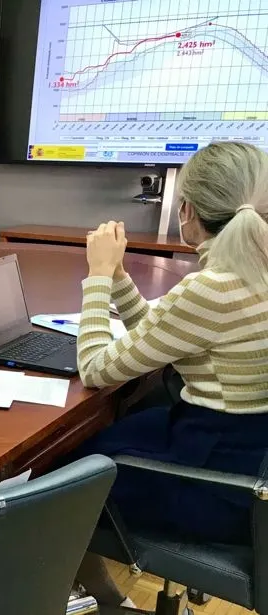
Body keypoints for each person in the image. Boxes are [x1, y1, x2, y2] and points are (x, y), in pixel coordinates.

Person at [72, 141, 268, 606]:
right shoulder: (252, 275)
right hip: (245, 455)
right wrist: (119, 277)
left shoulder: (212, 289)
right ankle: (101, 595)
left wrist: (97, 275)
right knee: (107, 432)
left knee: (58, 475)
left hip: (215, 483)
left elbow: (95, 369)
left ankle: (101, 597)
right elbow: (167, 335)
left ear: (188, 210)